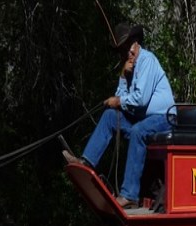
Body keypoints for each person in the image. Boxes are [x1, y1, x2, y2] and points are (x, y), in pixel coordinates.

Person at [63, 23, 175, 209]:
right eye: (123, 51)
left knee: (138, 131)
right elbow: (120, 96)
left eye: (129, 47)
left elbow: (139, 100)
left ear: (137, 43)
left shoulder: (147, 60)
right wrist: (123, 77)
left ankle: (129, 195)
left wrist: (118, 101)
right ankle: (86, 162)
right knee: (109, 116)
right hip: (143, 120)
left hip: (163, 119)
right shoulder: (130, 67)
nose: (128, 53)